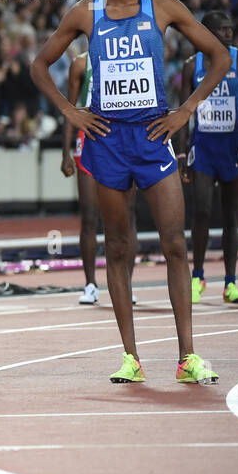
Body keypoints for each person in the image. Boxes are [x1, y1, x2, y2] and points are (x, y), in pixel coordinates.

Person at [30, 0, 228, 385]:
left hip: (154, 135)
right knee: (118, 248)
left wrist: (185, 111)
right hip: (106, 141)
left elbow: (218, 56)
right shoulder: (85, 13)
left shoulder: (162, 5)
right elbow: (39, 66)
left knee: (174, 244)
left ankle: (187, 357)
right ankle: (131, 358)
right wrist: (70, 111)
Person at [179, 10, 238, 304]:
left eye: (230, 29)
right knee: (200, 211)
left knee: (231, 215)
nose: (229, 34)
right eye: (222, 30)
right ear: (207, 33)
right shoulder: (192, 66)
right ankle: (197, 277)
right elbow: (183, 112)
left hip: (232, 147)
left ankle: (231, 283)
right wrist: (182, 151)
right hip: (203, 147)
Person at [61, 50, 138, 306]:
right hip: (89, 140)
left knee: (127, 215)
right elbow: (70, 110)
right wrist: (65, 152)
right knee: (90, 215)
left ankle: (126, 282)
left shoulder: (125, 59)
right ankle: (91, 284)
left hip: (120, 140)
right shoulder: (80, 64)